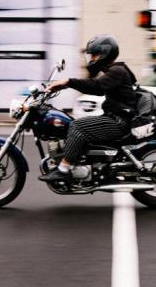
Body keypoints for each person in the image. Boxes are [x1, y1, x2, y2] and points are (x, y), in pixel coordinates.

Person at [39, 34, 137, 183]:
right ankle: (77, 161)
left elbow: (96, 86)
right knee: (75, 124)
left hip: (119, 121)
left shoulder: (117, 71)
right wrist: (63, 85)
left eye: (94, 55)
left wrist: (68, 82)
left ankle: (64, 170)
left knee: (77, 126)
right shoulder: (114, 71)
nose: (91, 59)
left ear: (104, 53)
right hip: (115, 118)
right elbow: (95, 85)